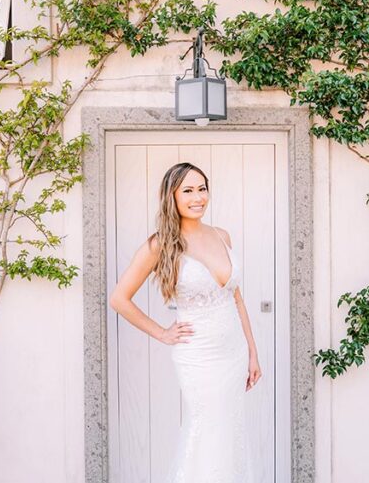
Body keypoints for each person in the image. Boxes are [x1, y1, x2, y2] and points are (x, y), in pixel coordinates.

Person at [110, 161, 261, 482]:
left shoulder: (222, 236)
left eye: (202, 188)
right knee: (207, 428)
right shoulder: (160, 244)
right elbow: (119, 299)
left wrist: (252, 352)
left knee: (230, 430)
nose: (198, 197)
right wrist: (162, 333)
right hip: (198, 355)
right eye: (188, 190)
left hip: (233, 352)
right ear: (172, 196)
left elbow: (236, 298)